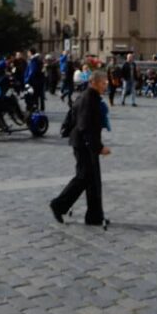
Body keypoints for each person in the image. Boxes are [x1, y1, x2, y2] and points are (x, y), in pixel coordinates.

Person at [50, 69, 111, 229]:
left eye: (106, 83)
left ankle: (95, 215)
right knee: (84, 177)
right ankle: (59, 204)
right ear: (94, 83)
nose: (105, 86)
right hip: (83, 144)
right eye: (103, 83)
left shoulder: (90, 96)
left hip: (86, 143)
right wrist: (99, 147)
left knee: (93, 180)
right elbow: (84, 126)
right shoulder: (88, 98)